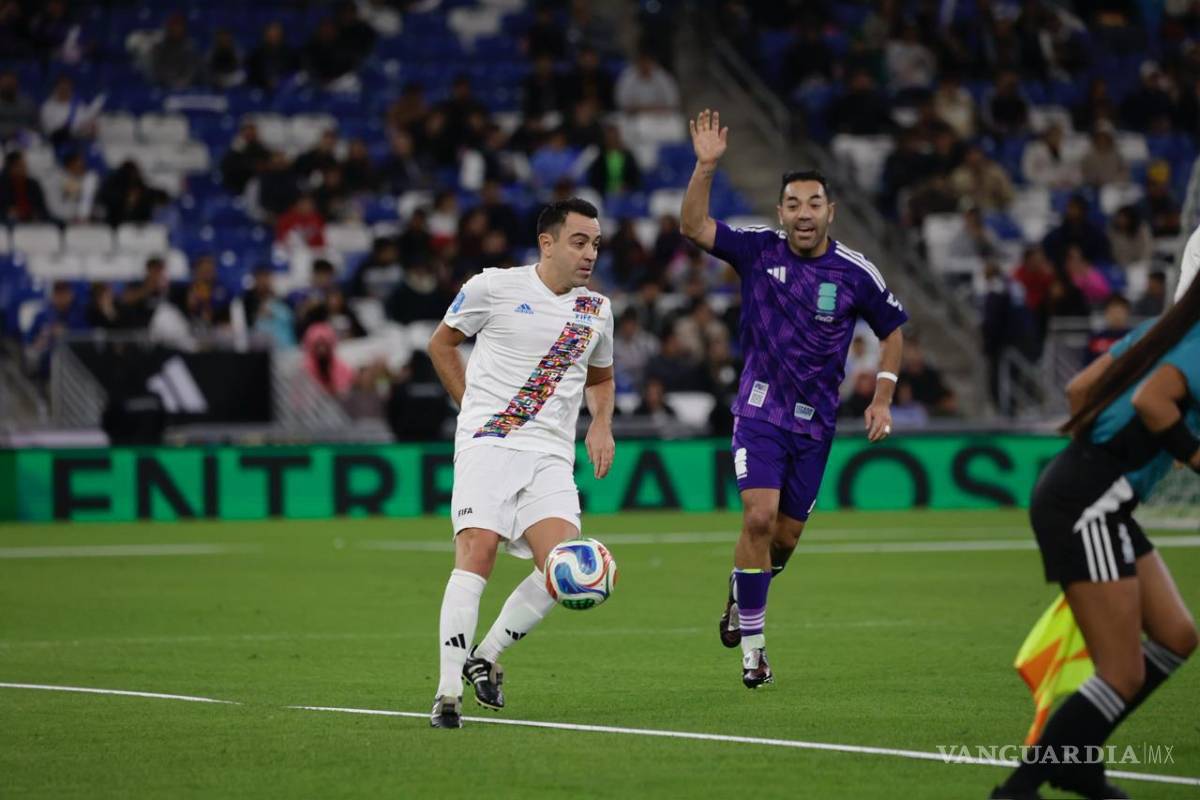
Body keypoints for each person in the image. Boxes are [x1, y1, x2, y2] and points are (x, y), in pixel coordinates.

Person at [681, 110, 907, 688]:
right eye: (793, 204)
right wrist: (706, 167)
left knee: (782, 540)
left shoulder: (855, 272)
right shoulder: (758, 251)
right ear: (780, 212)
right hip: (759, 410)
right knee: (757, 518)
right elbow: (694, 227)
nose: (803, 213)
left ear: (830, 211)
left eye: (813, 203)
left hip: (816, 424)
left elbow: (893, 331)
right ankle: (754, 653)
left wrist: (882, 397)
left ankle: (742, 591)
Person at [989, 275, 1200, 800]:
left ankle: (1078, 763)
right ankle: (1019, 788)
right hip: (1089, 502)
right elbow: (1155, 401)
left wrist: (1101, 450)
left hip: (1088, 490)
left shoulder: (1162, 330)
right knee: (1122, 673)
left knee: (1177, 636)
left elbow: (1079, 390)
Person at [425, 198, 615, 728]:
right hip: (490, 444)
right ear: (547, 243)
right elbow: (441, 345)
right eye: (579, 241)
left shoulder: (596, 310)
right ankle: (446, 694)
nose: (589, 253)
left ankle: (484, 656)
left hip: (551, 454)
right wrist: (473, 410)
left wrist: (601, 424)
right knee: (477, 550)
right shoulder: (493, 286)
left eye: (596, 243)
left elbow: (601, 378)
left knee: (563, 570)